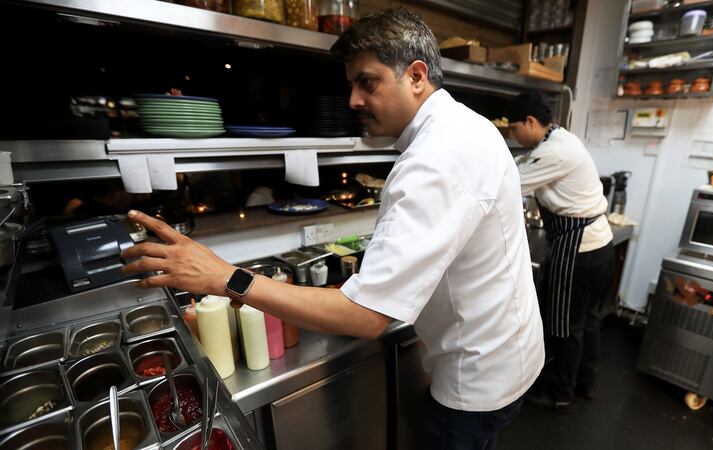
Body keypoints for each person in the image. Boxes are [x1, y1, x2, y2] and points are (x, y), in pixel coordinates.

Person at [122, 8, 544, 450]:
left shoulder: (433, 160)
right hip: (509, 355)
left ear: (416, 76)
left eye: (368, 81)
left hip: (474, 382)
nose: (353, 102)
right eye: (351, 86)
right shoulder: (470, 125)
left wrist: (225, 277)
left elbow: (366, 317)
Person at [509, 91, 616, 412]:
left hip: (578, 251)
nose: (513, 135)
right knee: (589, 321)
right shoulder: (558, 139)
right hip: (601, 246)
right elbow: (522, 163)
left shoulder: (555, 152)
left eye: (514, 128)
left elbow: (508, 182)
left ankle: (559, 393)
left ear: (530, 122)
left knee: (563, 326)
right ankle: (588, 381)